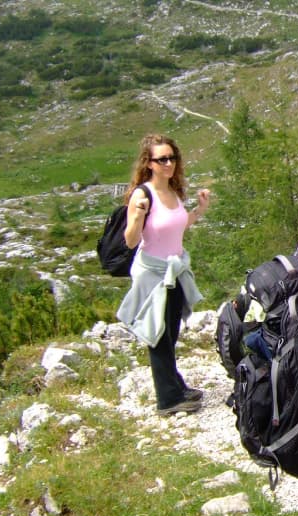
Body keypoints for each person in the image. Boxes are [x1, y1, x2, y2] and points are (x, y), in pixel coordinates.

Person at [116, 133, 211, 417]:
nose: (168, 163)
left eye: (172, 157)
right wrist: (135, 219)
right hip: (154, 275)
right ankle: (167, 400)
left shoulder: (173, 191)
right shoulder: (142, 195)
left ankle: (176, 386)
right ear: (150, 163)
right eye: (162, 159)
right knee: (157, 335)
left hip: (175, 270)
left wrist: (200, 210)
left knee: (170, 332)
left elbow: (178, 225)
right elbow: (131, 241)